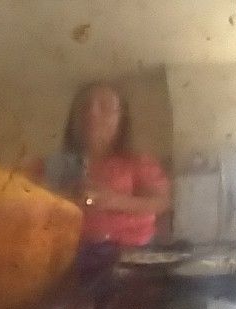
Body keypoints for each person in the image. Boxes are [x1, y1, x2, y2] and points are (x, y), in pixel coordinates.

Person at [42, 81, 171, 248]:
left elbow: (162, 201)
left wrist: (115, 200)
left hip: (130, 254)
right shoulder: (57, 164)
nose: (92, 113)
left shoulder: (137, 162)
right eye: (84, 107)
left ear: (121, 120)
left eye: (105, 107)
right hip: (72, 253)